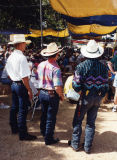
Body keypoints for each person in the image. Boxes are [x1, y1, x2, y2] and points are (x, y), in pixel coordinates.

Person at [70, 40, 109, 153]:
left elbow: (76, 85)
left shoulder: (81, 66)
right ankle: (87, 147)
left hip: (84, 98)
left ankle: (75, 144)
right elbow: (106, 86)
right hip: (97, 98)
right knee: (91, 123)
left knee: (77, 121)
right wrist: (100, 94)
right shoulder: (103, 67)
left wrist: (80, 90)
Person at [5, 34, 37, 141]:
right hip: (20, 84)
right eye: (24, 44)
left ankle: (14, 128)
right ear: (21, 44)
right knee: (22, 109)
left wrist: (14, 80)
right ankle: (23, 134)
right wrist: (29, 90)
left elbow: (8, 73)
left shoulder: (10, 56)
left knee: (14, 107)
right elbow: (24, 77)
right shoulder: (21, 57)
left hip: (14, 83)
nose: (25, 46)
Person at [37, 42, 64, 145]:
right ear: (56, 54)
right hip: (51, 94)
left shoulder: (41, 65)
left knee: (44, 114)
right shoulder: (56, 68)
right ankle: (48, 138)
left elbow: (38, 79)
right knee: (51, 117)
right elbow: (57, 86)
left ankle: (43, 132)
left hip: (42, 93)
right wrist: (61, 95)